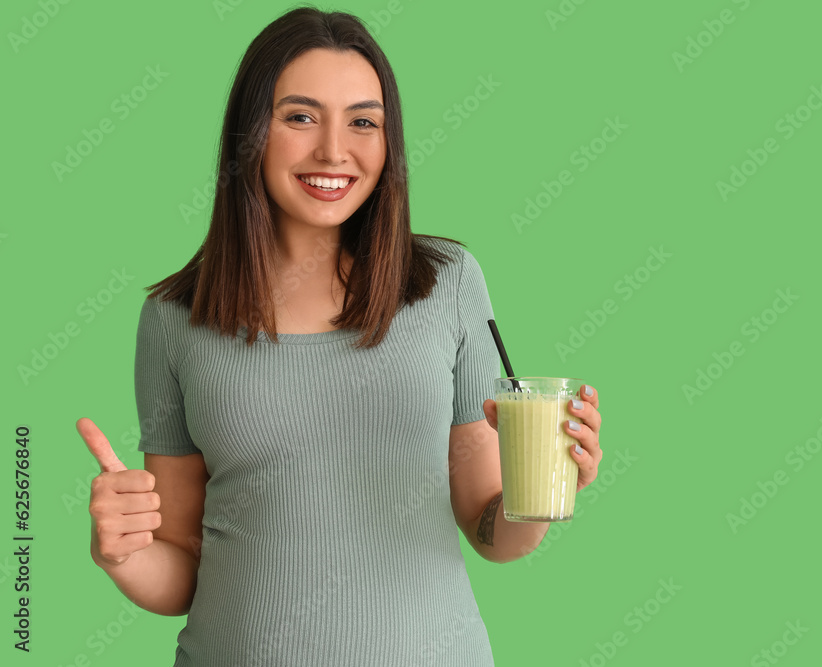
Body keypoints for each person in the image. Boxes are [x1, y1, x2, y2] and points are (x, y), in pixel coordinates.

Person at [77, 7, 603, 666]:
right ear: (251, 133)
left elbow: (491, 528)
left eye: (363, 122)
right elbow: (183, 568)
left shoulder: (447, 283)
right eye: (300, 117)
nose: (334, 151)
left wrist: (541, 494)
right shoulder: (175, 317)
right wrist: (123, 554)